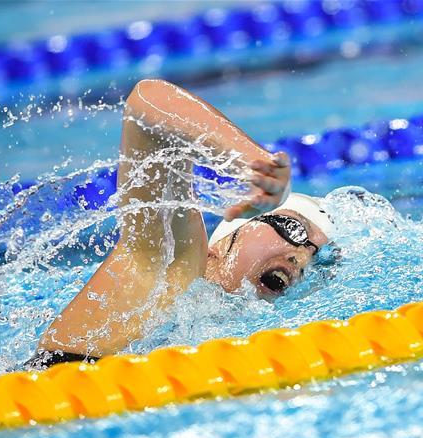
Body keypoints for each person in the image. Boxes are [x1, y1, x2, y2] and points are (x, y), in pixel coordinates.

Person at [31, 79, 336, 367]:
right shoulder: (173, 263)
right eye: (293, 228)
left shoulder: (230, 342)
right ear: (217, 247)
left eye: (319, 259)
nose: (303, 256)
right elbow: (146, 101)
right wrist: (256, 165)